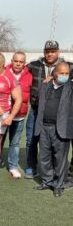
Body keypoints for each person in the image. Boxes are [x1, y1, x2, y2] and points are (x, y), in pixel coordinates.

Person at [25, 40, 73, 179]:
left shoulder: (68, 66)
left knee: (58, 142)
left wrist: (54, 76)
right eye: (47, 51)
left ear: (58, 52)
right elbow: (17, 69)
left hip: (60, 112)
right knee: (31, 139)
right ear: (44, 52)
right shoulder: (34, 65)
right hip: (36, 109)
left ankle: (57, 171)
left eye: (53, 51)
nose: (50, 54)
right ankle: (31, 167)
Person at [33, 62, 73, 197]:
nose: (64, 75)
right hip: (44, 126)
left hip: (61, 128)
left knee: (60, 159)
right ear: (54, 73)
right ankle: (47, 181)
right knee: (44, 156)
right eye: (62, 73)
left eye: (67, 73)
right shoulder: (45, 86)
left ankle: (59, 185)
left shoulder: (70, 87)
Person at [0, 52, 32, 178]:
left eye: (21, 62)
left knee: (15, 142)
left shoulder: (30, 75)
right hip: (4, 113)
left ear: (24, 63)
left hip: (19, 115)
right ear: (12, 61)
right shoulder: (3, 73)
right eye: (16, 61)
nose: (18, 64)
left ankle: (13, 166)